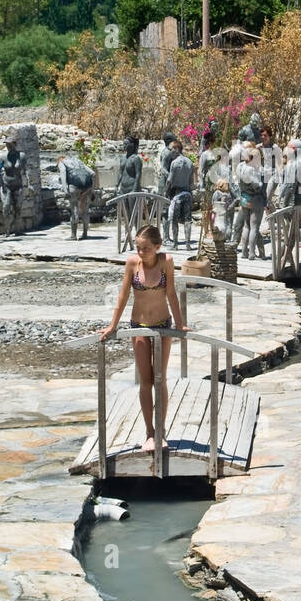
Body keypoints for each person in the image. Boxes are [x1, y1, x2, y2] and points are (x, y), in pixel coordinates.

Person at [101, 225, 186, 453]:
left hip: (162, 325)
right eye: (138, 248)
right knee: (145, 381)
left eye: (146, 248)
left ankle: (161, 432)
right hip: (138, 325)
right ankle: (149, 432)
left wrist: (180, 324)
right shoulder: (131, 263)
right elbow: (124, 294)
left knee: (161, 379)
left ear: (157, 247)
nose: (141, 252)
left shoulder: (166, 261)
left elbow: (171, 293)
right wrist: (112, 325)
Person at [236, 141, 267, 260]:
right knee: (254, 227)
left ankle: (244, 251)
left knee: (246, 226)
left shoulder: (240, 166)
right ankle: (252, 253)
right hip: (255, 199)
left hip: (244, 198)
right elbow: (257, 186)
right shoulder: (252, 169)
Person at [59, 151, 96, 240]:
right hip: (87, 185)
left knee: (74, 209)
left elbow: (63, 175)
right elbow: (92, 173)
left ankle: (73, 235)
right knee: (85, 210)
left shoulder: (62, 163)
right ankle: (85, 234)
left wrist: (65, 191)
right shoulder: (78, 161)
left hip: (74, 186)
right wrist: (92, 190)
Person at [0, 129, 29, 238]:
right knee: (6, 207)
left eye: (10, 144)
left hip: (18, 185)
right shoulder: (3, 157)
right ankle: (7, 231)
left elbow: (25, 171)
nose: (8, 147)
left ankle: (17, 230)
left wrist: (28, 184)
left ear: (15, 144)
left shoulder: (21, 156)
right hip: (6, 185)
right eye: (7, 145)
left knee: (18, 208)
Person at [166, 139, 195, 250]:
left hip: (177, 194)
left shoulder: (175, 163)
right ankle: (188, 244)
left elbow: (169, 180)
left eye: (172, 149)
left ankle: (175, 244)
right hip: (187, 193)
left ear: (177, 149)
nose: (170, 152)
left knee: (174, 219)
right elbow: (191, 182)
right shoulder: (189, 162)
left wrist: (166, 191)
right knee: (187, 220)